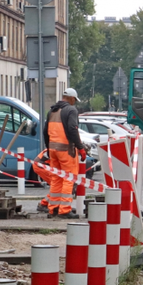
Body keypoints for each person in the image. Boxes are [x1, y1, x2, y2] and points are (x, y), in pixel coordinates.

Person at [38, 87, 85, 219]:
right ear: (71, 98)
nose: (74, 102)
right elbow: (72, 129)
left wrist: (48, 149)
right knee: (69, 178)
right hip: (66, 150)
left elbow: (45, 131)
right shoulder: (71, 110)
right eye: (74, 100)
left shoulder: (52, 110)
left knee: (56, 179)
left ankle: (53, 208)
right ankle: (64, 210)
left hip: (53, 150)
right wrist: (80, 147)